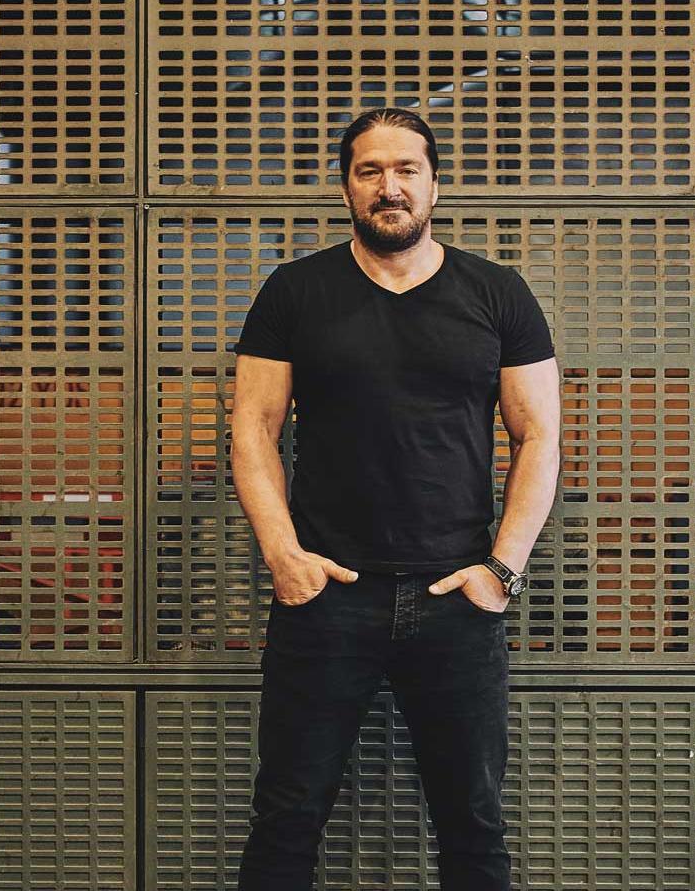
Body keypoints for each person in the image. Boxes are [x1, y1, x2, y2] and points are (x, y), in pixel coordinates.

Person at [228, 108, 563, 890]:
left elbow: (539, 437)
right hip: (325, 598)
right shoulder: (295, 292)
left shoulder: (498, 294)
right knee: (284, 822)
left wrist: (500, 571)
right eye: (370, 171)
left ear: (434, 183)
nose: (390, 187)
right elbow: (253, 430)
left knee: (473, 828)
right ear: (346, 186)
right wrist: (283, 555)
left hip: (457, 598)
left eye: (406, 170)